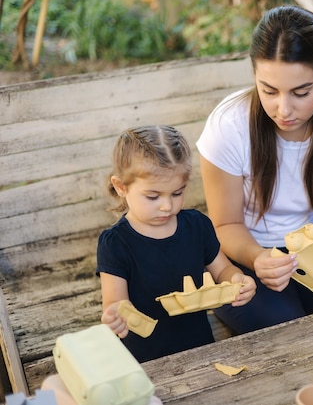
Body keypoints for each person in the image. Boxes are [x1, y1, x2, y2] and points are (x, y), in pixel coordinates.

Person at [196, 5, 313, 335]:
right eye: (269, 90)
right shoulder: (229, 127)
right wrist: (258, 258)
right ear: (254, 78)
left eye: (301, 92)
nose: (284, 109)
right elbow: (225, 223)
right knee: (287, 333)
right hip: (243, 254)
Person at [97, 125, 256, 362]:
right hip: (144, 356)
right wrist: (114, 316)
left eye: (177, 193)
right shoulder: (115, 243)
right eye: (153, 196)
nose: (167, 206)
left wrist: (238, 280)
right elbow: (115, 301)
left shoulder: (197, 226)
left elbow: (222, 269)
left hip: (198, 344)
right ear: (121, 187)